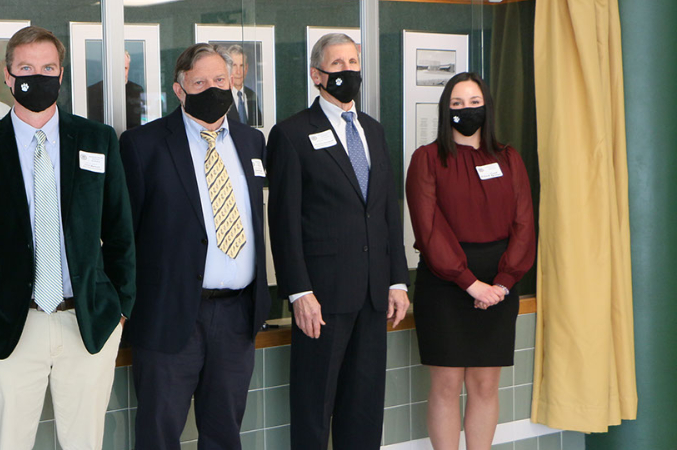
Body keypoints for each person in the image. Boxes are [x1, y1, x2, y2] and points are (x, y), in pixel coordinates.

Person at [0, 26, 136, 450]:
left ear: (61, 73)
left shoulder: (97, 139)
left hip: (87, 322)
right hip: (10, 323)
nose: (39, 76)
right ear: (9, 76)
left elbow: (120, 231)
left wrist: (121, 307)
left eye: (48, 67)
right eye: (27, 68)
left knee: (84, 443)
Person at [120, 43, 270, 449]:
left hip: (236, 316)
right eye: (199, 82)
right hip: (168, 317)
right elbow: (124, 235)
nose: (212, 89)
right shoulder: (142, 145)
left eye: (220, 80)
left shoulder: (251, 142)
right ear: (179, 89)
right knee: (159, 433)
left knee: (225, 432)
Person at [266, 33, 410, 450]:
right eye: (337, 64)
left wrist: (397, 281)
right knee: (314, 411)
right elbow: (284, 224)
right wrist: (299, 292)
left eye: (353, 62)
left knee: (364, 411)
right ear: (317, 74)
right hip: (321, 300)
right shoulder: (291, 134)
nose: (348, 71)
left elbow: (386, 212)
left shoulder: (373, 131)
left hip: (372, 297)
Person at [406, 72, 535, 450]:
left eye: (474, 103)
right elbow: (429, 229)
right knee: (446, 385)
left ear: (487, 107)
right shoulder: (426, 158)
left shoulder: (509, 158)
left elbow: (525, 223)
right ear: (446, 110)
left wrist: (503, 283)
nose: (466, 110)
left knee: (485, 384)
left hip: (499, 281)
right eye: (457, 104)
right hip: (445, 283)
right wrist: (469, 283)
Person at [87, 50, 145, 129]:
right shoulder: (92, 91)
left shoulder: (137, 90)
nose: (121, 72)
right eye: (117, 68)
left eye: (125, 68)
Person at [223, 44, 263, 128]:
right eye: (234, 66)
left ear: (247, 68)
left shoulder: (252, 95)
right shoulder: (222, 96)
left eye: (242, 66)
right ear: (227, 68)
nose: (238, 72)